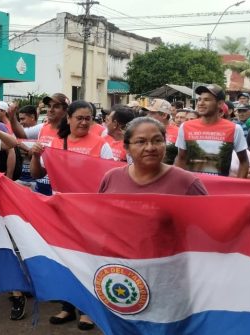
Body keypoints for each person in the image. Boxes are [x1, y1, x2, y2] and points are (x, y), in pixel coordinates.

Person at [30, 101, 114, 331]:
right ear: (69, 119)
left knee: (88, 261)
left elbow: (110, 180)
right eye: (80, 117)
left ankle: (89, 311)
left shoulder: (101, 145)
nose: (84, 122)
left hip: (90, 213)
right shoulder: (57, 143)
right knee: (66, 260)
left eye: (88, 118)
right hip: (63, 211)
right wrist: (36, 156)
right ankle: (68, 307)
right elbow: (38, 174)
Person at [99, 117, 208, 195]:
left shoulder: (186, 182)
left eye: (157, 140)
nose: (150, 148)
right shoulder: (112, 178)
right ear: (127, 148)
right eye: (141, 142)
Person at [175, 84, 248, 178]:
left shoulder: (235, 129)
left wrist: (238, 186)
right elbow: (181, 158)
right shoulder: (185, 127)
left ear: (220, 104)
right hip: (192, 188)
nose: (200, 103)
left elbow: (244, 162)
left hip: (221, 189)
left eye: (207, 100)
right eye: (199, 99)